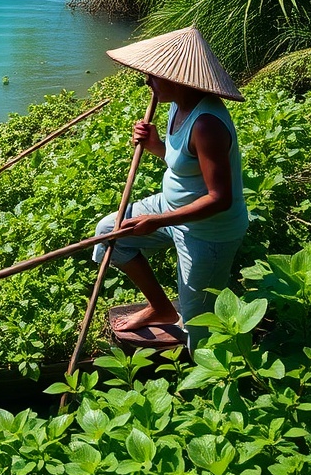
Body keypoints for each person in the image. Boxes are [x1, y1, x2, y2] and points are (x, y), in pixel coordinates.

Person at [93, 26, 249, 350]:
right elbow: (186, 163)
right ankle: (160, 308)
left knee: (199, 328)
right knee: (110, 233)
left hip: (209, 232)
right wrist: (156, 146)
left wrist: (158, 221)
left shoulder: (207, 125)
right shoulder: (178, 105)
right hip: (172, 208)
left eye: (154, 76)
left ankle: (209, 388)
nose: (148, 82)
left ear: (177, 78)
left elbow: (220, 199)